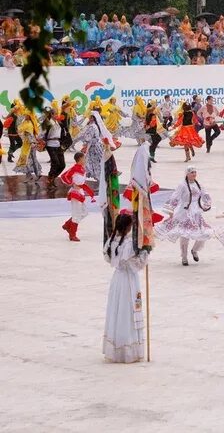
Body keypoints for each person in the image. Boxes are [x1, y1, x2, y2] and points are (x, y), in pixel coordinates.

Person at [103, 212, 149, 363]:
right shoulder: (129, 244)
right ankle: (127, 347)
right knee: (127, 312)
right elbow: (136, 264)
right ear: (129, 227)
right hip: (128, 281)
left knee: (117, 312)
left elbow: (109, 259)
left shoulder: (111, 240)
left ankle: (117, 347)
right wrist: (145, 251)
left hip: (117, 279)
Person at [157, 166, 214, 266]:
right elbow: (175, 197)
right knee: (185, 234)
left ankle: (195, 250)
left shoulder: (198, 184)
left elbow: (205, 195)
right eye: (192, 172)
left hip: (196, 212)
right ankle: (184, 256)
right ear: (187, 174)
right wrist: (171, 210)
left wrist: (207, 204)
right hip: (185, 212)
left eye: (195, 172)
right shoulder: (182, 185)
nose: (194, 174)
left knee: (204, 233)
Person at [60, 153, 94, 242]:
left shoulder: (82, 169)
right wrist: (72, 183)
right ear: (80, 159)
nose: (85, 160)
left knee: (84, 212)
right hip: (75, 192)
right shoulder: (74, 168)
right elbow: (64, 176)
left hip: (80, 191)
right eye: (84, 158)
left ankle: (68, 224)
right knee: (76, 214)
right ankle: (72, 234)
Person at [13, 108, 42, 182]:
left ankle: (33, 175)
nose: (25, 116)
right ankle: (34, 174)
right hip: (29, 144)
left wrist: (32, 143)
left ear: (29, 116)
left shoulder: (28, 124)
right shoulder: (28, 122)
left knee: (26, 160)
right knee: (32, 159)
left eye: (26, 115)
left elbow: (29, 135)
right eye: (25, 114)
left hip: (29, 145)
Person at [41, 106, 66, 179]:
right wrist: (41, 140)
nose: (57, 115)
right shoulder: (48, 123)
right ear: (51, 115)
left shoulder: (58, 123)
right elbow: (41, 133)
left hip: (58, 144)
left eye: (57, 114)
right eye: (55, 114)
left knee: (62, 165)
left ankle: (53, 177)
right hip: (50, 145)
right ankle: (50, 177)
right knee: (55, 162)